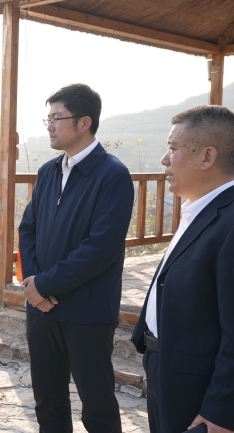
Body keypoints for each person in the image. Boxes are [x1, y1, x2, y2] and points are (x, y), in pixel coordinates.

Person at [18, 84, 134, 433]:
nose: (50, 126)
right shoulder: (48, 171)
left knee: (97, 407)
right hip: (42, 308)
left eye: (57, 118)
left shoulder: (112, 175)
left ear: (85, 122)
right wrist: (34, 286)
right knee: (47, 400)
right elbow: (28, 229)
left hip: (86, 310)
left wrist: (45, 285)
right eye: (48, 119)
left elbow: (101, 247)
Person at [131, 105, 234, 433]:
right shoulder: (199, 209)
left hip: (198, 389)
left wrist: (222, 408)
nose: (165, 159)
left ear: (207, 157)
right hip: (166, 370)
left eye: (173, 149)